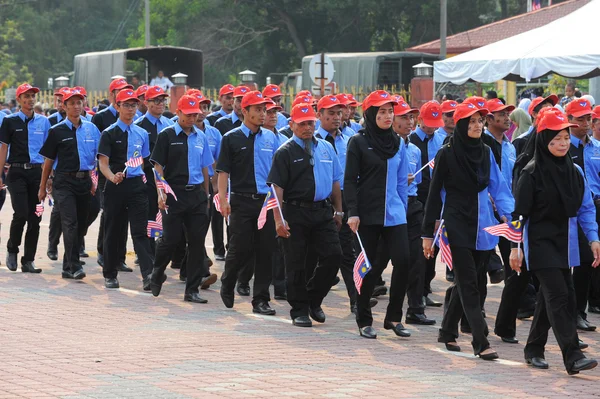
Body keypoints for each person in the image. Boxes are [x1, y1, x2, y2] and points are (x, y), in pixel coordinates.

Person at [510, 109, 599, 374]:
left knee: (554, 298)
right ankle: (572, 356)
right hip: (539, 243)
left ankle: (534, 348)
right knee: (561, 296)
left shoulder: (575, 172)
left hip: (567, 243)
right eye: (556, 138)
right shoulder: (531, 173)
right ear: (543, 139)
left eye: (565, 137)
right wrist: (516, 249)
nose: (562, 144)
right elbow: (519, 216)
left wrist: (593, 238)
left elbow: (585, 209)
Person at [423, 102, 514, 360]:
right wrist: (428, 235)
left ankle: (448, 330)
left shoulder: (486, 152)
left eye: (480, 121)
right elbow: (434, 196)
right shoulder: (446, 154)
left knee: (472, 282)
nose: (477, 126)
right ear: (461, 124)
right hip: (456, 225)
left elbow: (499, 187)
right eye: (471, 121)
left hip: (484, 226)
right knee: (469, 283)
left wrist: (511, 217)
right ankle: (480, 341)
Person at [268, 102, 343, 326]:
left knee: (334, 256)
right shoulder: (285, 152)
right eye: (302, 124)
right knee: (296, 263)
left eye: (310, 123)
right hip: (295, 212)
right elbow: (276, 189)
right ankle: (299, 309)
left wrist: (338, 209)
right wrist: (278, 219)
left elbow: (335, 180)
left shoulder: (327, 148)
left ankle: (314, 298)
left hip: (322, 212)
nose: (307, 128)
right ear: (292, 125)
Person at [344, 90, 410, 339]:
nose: (387, 116)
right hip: (366, 215)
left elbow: (402, 180)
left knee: (404, 262)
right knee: (368, 268)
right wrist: (352, 212)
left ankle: (394, 317)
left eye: (390, 111)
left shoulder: (398, 142)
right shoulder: (358, 142)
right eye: (381, 111)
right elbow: (349, 180)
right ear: (371, 114)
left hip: (395, 214)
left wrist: (402, 207)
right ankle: (363, 318)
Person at [148, 94, 216, 303]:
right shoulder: (167, 135)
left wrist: (206, 194)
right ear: (178, 113)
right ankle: (157, 272)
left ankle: (192, 289)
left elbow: (206, 167)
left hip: (196, 194)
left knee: (196, 242)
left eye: (195, 114)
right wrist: (160, 193)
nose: (192, 118)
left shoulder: (201, 137)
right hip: (173, 193)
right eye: (188, 115)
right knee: (170, 238)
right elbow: (158, 166)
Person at [216, 90, 277, 314]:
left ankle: (260, 299)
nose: (263, 114)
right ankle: (228, 281)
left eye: (264, 110)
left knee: (265, 251)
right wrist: (223, 200)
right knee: (239, 248)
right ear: (245, 111)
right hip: (241, 202)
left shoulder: (271, 138)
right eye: (258, 110)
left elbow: (277, 173)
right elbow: (223, 172)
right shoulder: (231, 138)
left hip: (266, 202)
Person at [38, 88, 101, 280]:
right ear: (64, 107)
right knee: (70, 223)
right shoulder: (56, 131)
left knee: (81, 224)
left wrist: (93, 180)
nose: (76, 106)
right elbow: (48, 161)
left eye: (79, 103)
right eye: (71, 103)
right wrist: (43, 186)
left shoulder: (92, 129)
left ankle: (67, 266)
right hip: (64, 181)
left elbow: (98, 158)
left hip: (84, 180)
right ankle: (74, 265)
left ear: (84, 106)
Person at [97, 88, 155, 289]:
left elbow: (144, 160)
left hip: (137, 186)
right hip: (116, 186)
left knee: (140, 231)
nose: (131, 109)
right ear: (117, 106)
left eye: (134, 105)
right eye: (126, 105)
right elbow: (103, 163)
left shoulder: (141, 133)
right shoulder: (109, 133)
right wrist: (113, 177)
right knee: (114, 230)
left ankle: (149, 275)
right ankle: (110, 274)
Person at [390, 99, 436, 325]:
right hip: (388, 206)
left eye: (411, 118)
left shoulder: (415, 150)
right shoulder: (381, 147)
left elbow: (418, 182)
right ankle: (363, 301)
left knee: (417, 258)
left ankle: (415, 308)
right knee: (385, 259)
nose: (409, 122)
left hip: (412, 204)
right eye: (403, 117)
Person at [313, 95, 356, 314]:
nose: (336, 118)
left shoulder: (350, 139)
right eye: (330, 114)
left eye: (339, 113)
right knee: (315, 256)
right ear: (319, 115)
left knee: (345, 252)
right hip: (317, 201)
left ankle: (356, 301)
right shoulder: (310, 139)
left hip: (344, 200)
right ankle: (312, 297)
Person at [0, 83, 50, 273]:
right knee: (21, 212)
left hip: (37, 173)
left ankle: (28, 260)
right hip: (16, 173)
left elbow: (48, 153)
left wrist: (48, 178)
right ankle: (12, 250)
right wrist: (0, 175)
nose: (30, 99)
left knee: (35, 217)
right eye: (26, 96)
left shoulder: (44, 122)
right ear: (19, 100)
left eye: (32, 96)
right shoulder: (9, 121)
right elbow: (3, 148)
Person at [92, 78, 134, 273]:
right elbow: (97, 149)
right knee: (109, 214)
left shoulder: (133, 117)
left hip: (128, 175)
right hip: (107, 172)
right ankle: (104, 252)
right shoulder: (100, 118)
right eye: (119, 92)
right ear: (112, 96)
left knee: (124, 215)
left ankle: (120, 256)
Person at [565, 98, 598, 332]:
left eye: (588, 118)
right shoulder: (563, 147)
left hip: (594, 208)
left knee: (588, 261)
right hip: (570, 210)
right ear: (569, 121)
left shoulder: (596, 148)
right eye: (580, 119)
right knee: (569, 261)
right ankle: (563, 310)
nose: (585, 123)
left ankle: (579, 311)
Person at [409, 101, 446, 300]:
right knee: (420, 245)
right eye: (429, 122)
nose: (432, 127)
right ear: (420, 120)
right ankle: (416, 290)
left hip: (437, 197)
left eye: (435, 122)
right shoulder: (411, 140)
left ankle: (425, 286)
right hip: (418, 197)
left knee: (435, 243)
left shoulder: (441, 140)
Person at [135, 85, 174, 255]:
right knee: (150, 216)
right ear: (146, 102)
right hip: (148, 179)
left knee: (171, 216)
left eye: (163, 100)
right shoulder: (139, 125)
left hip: (169, 177)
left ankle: (168, 252)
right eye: (156, 100)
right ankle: (150, 253)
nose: (160, 104)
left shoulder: (170, 124)